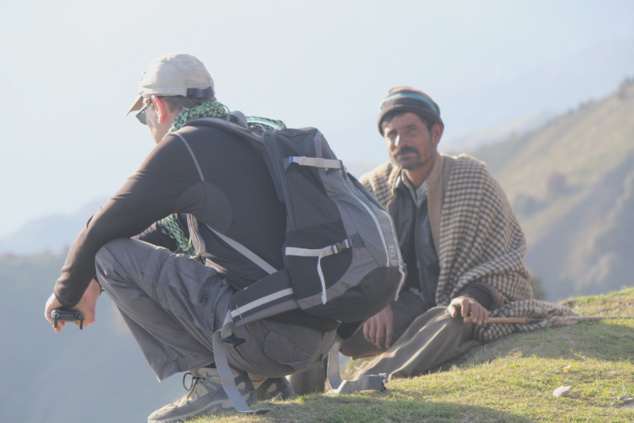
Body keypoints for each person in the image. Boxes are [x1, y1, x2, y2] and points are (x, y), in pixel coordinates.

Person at [44, 53, 339, 423]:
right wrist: (94, 285)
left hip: (270, 340)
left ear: (158, 106)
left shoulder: (187, 145)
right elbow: (167, 233)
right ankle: (261, 382)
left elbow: (104, 227)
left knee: (108, 256)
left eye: (143, 115)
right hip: (321, 334)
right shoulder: (252, 133)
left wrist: (65, 294)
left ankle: (218, 382)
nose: (147, 124)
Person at [290, 86, 576, 394]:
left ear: (435, 133)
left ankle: (363, 386)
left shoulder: (472, 179)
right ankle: (296, 399)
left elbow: (505, 261)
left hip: (456, 305)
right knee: (323, 315)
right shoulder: (371, 188)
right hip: (399, 309)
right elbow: (351, 260)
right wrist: (374, 301)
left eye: (411, 131)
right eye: (391, 134)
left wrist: (472, 296)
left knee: (453, 320)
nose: (401, 142)